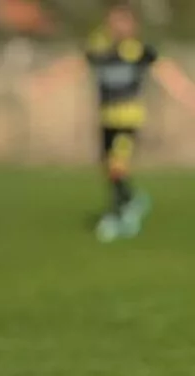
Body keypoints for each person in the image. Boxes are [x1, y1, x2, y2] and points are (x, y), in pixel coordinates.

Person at [34, 2, 195, 242]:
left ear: (133, 24)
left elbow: (166, 71)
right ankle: (129, 201)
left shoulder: (138, 51)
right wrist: (47, 82)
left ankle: (122, 214)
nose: (118, 25)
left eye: (123, 21)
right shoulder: (101, 48)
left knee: (117, 165)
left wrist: (187, 94)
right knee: (109, 168)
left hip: (128, 119)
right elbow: (75, 64)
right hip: (106, 118)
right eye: (114, 20)